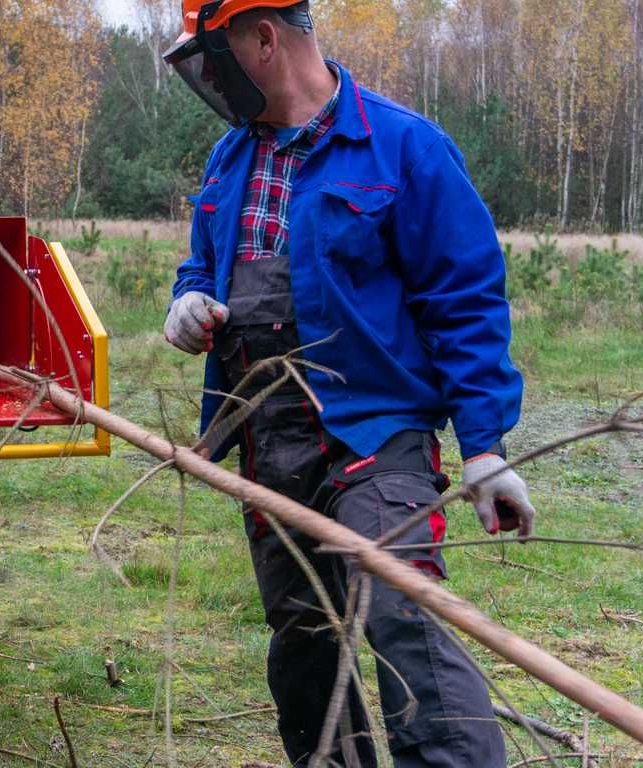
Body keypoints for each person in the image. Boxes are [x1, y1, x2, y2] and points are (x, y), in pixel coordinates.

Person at [161, 1, 536, 765]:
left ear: (263, 39)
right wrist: (188, 300)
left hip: (376, 434)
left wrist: (485, 448)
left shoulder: (405, 149)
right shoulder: (229, 160)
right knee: (303, 635)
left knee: (402, 608)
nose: (209, 78)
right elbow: (203, 262)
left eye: (215, 53)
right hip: (269, 440)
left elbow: (464, 304)